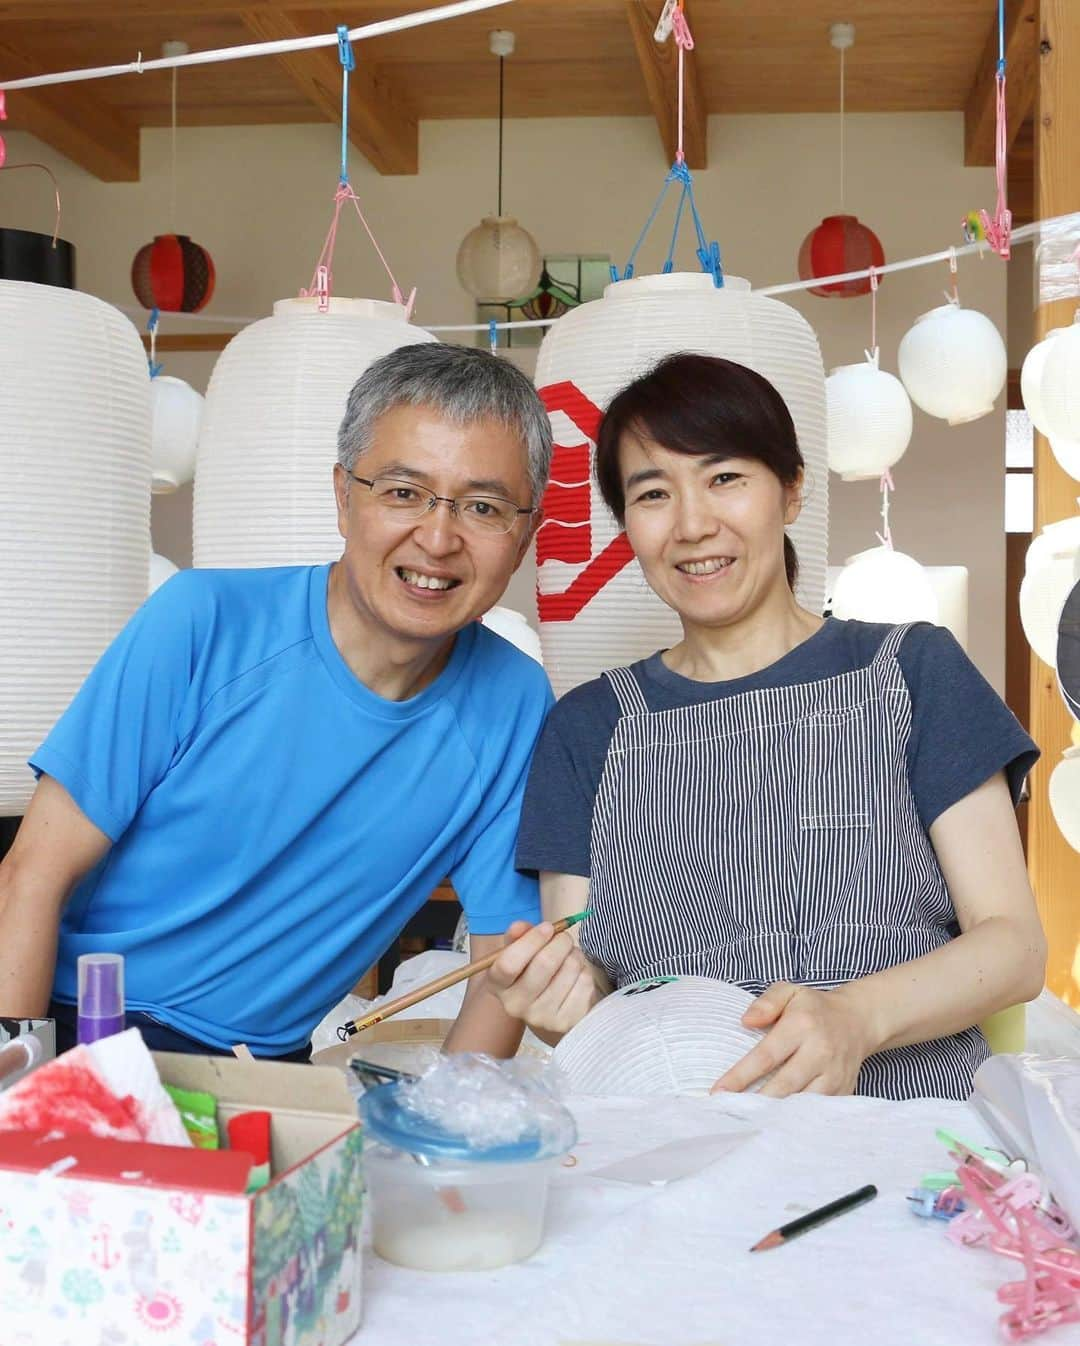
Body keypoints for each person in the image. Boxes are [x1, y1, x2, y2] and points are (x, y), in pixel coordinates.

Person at [487, 352, 1046, 1101]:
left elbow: (1013, 949)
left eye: (725, 478)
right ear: (627, 527)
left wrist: (856, 1018)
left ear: (790, 490)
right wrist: (560, 1008)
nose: (692, 525)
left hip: (915, 1134)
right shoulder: (588, 729)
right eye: (653, 494)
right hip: (678, 1136)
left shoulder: (913, 672)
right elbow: (587, 988)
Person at [0, 343, 553, 1060]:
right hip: (66, 1017)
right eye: (403, 492)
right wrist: (18, 1094)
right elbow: (32, 875)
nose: (438, 537)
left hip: (256, 1068)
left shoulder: (514, 701)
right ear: (343, 496)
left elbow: (499, 971)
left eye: (483, 507)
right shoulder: (201, 622)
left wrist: (448, 1137)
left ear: (525, 536)